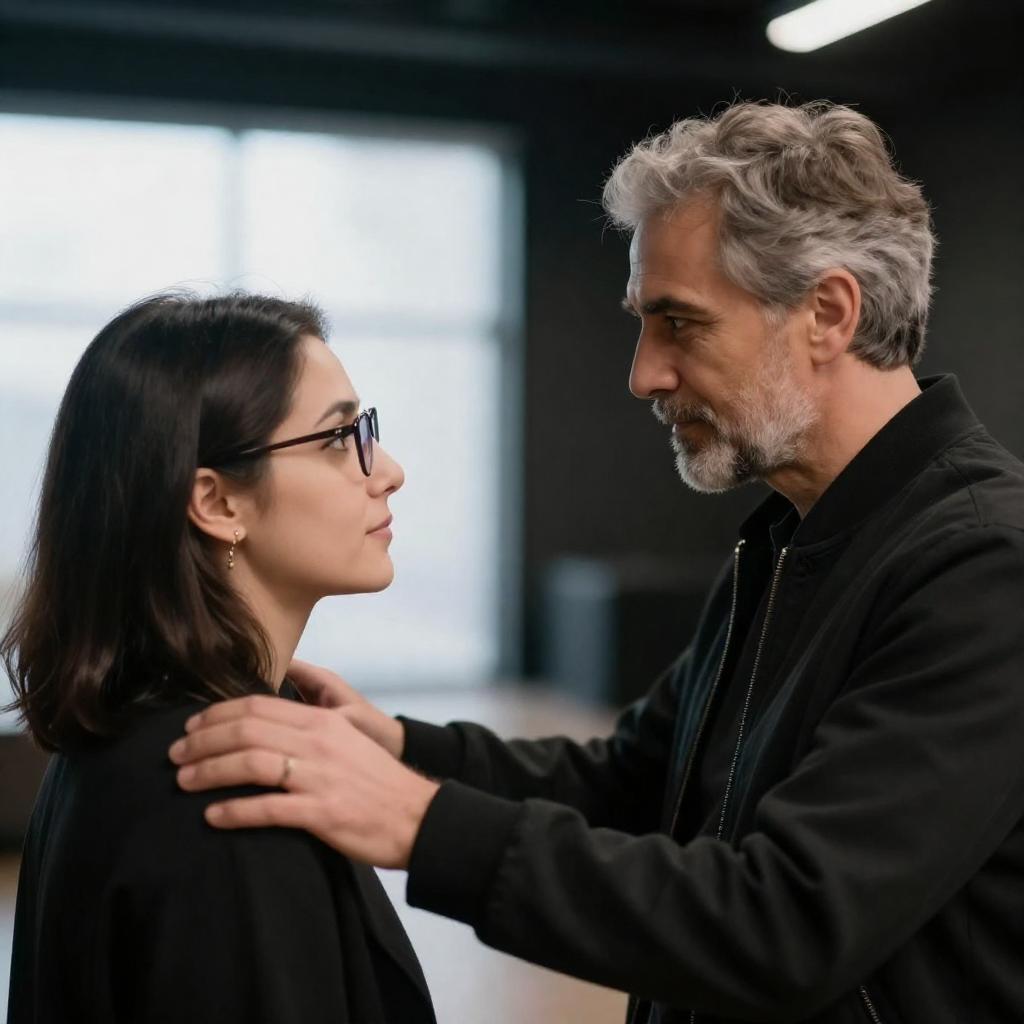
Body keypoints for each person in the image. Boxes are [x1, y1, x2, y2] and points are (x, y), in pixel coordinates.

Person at [168, 101, 1024, 1023]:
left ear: (828, 312)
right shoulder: (790, 541)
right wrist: (405, 750)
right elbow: (637, 781)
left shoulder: (985, 567)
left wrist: (418, 824)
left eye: (679, 322)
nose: (643, 374)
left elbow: (786, 921)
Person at [3, 293, 436, 1023]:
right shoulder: (227, 787)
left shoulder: (133, 725)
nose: (387, 470)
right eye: (338, 439)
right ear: (217, 503)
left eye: (364, 429)